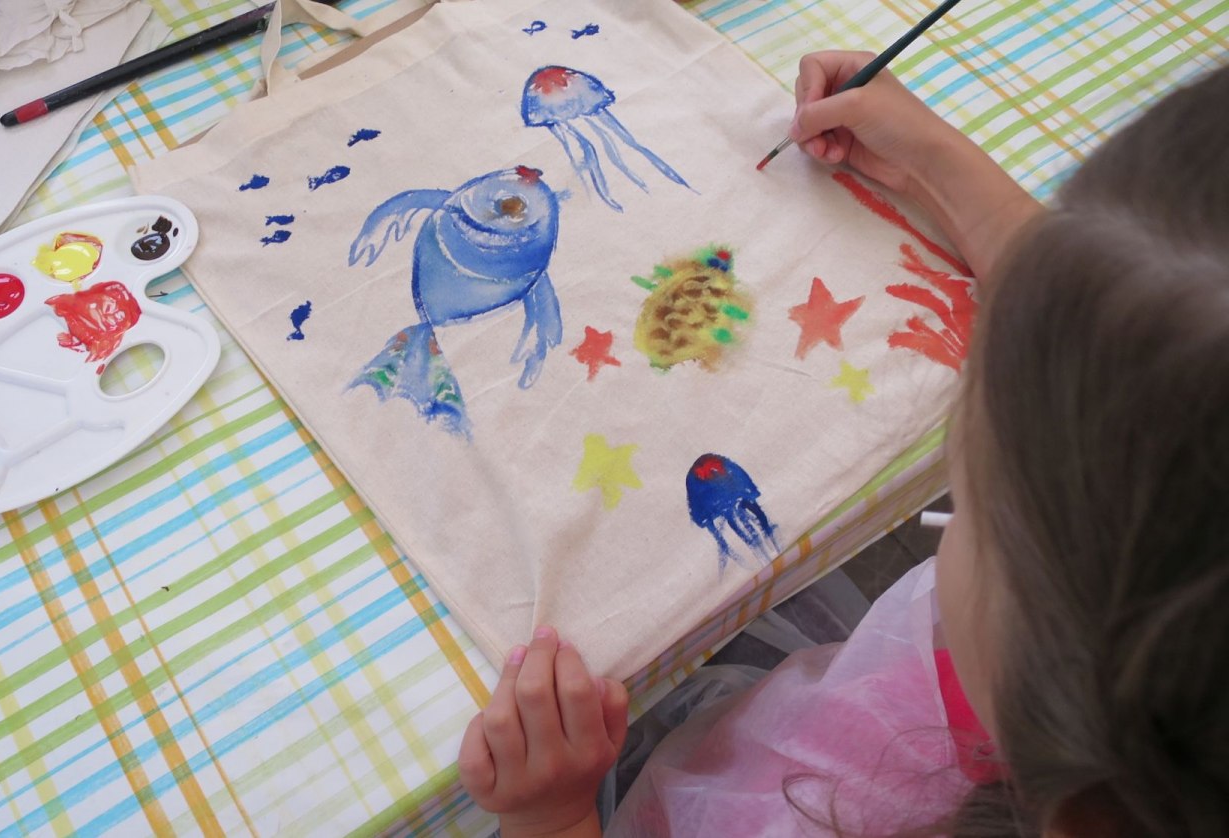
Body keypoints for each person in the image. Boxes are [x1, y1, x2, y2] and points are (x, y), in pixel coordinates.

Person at [458, 50, 1229, 837]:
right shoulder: (1155, 611)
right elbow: (1114, 336)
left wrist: (548, 817)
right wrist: (932, 154)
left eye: (978, 505)